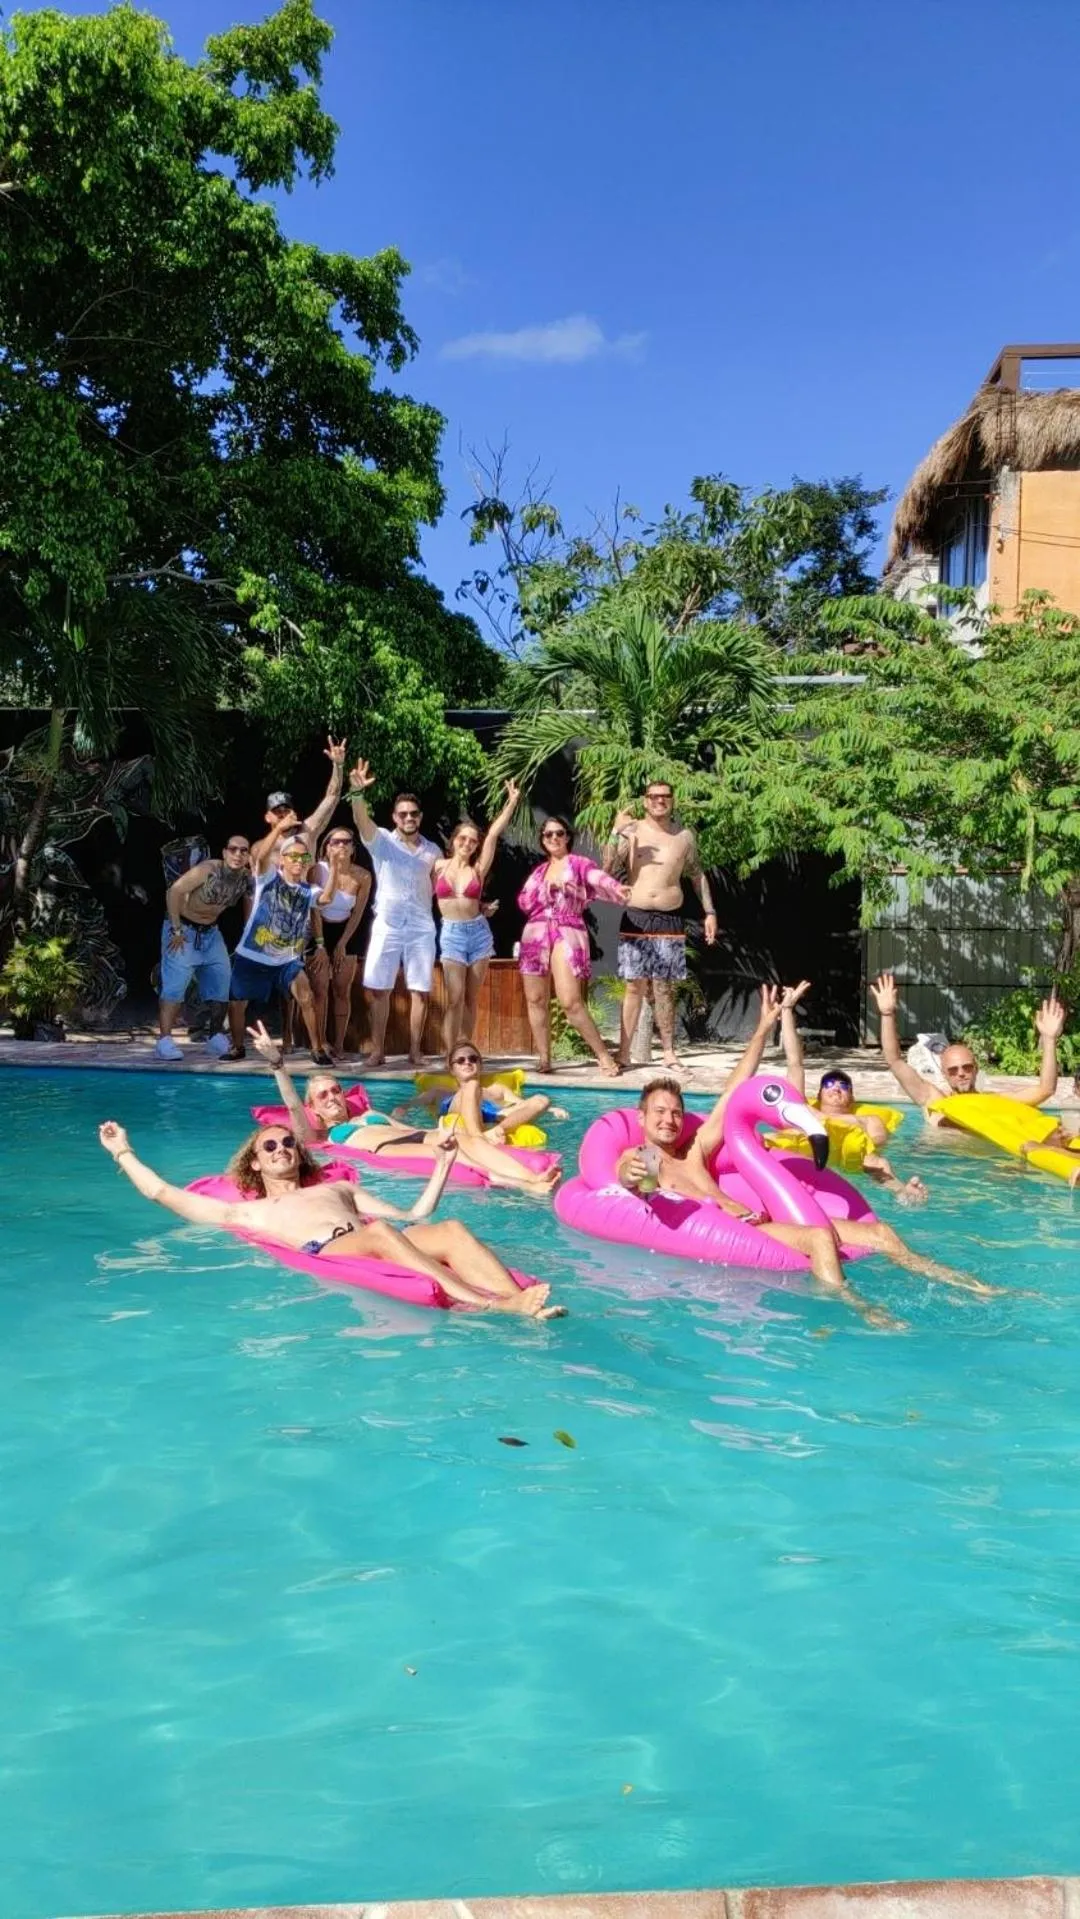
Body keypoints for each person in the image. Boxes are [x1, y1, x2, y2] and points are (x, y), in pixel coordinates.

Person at [616, 984, 996, 1325]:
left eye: (676, 1112)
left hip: (760, 1217)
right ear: (642, 1117)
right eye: (660, 1113)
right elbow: (630, 1179)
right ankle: (857, 1308)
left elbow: (733, 1093)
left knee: (880, 1231)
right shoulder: (646, 1156)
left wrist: (764, 1027)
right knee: (818, 1238)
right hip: (739, 1231)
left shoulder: (694, 1150)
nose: (669, 1120)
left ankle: (958, 1281)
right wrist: (630, 1174)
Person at [98, 1117, 563, 1318]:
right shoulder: (246, 1210)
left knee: (451, 1230)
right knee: (381, 1233)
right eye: (270, 1146)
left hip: (376, 1236)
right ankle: (491, 1305)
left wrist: (442, 1163)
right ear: (255, 1162)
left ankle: (521, 1304)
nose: (282, 1149)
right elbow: (160, 1192)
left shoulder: (336, 1187)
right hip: (335, 1250)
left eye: (288, 1143)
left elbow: (415, 1213)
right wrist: (123, 1152)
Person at [250, 1023, 561, 1198]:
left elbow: (401, 1128)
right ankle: (524, 1186)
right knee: (457, 1157)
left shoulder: (366, 1115)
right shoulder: (323, 1133)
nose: (332, 1097)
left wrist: (437, 1134)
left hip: (414, 1136)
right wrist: (278, 1065)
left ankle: (532, 1178)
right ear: (314, 1108)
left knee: (471, 1142)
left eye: (335, 1090)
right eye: (322, 1095)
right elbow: (293, 1106)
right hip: (385, 1149)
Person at [777, 979, 928, 1204]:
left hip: (851, 1156)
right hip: (807, 1152)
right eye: (828, 1084)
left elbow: (877, 1141)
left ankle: (903, 1192)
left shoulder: (867, 1119)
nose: (836, 1087)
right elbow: (794, 1063)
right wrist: (787, 1010)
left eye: (843, 1085)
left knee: (875, 1160)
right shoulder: (804, 1109)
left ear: (852, 1097)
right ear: (818, 1095)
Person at [870, 972, 1070, 1142]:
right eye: (953, 1070)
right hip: (940, 1166)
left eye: (967, 1067)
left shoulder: (995, 1102)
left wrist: (1049, 1038)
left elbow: (1046, 1089)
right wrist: (887, 1014)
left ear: (976, 1069)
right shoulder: (932, 1099)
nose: (961, 1074)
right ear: (944, 1074)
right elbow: (895, 1062)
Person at [603, 780, 718, 1071]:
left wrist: (710, 912)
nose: (660, 802)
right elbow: (606, 868)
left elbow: (696, 875)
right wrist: (616, 831)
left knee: (664, 987)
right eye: (654, 797)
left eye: (665, 797)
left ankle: (668, 1052)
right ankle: (625, 1053)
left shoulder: (684, 837)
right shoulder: (633, 831)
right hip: (636, 917)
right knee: (633, 987)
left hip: (668, 918)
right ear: (645, 801)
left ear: (672, 800)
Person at [517, 816, 631, 1076]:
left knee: (570, 1001)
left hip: (567, 930)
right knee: (535, 999)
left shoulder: (578, 864)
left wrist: (616, 887)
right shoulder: (538, 872)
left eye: (559, 833)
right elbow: (523, 902)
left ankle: (602, 1055)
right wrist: (546, 889)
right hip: (535, 933)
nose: (554, 838)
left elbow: (598, 878)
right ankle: (544, 1058)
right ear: (543, 840)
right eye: (548, 835)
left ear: (567, 836)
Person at [348, 759, 441, 1068]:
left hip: (421, 927)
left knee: (420, 991)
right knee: (378, 990)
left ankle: (415, 1050)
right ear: (394, 817)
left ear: (420, 817)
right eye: (403, 814)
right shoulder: (382, 843)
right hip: (387, 924)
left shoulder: (433, 851)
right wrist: (357, 793)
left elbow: (444, 886)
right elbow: (362, 822)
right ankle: (377, 1051)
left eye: (413, 813)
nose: (408, 818)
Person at [223, 819, 334, 1063]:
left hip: (286, 959)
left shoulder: (309, 890)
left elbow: (325, 899)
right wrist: (278, 829)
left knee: (305, 994)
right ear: (282, 860)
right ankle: (237, 1047)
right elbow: (261, 857)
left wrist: (334, 867)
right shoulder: (269, 878)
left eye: (303, 858)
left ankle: (317, 1050)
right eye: (292, 856)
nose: (298, 861)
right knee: (237, 1002)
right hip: (253, 954)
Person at [433, 780, 520, 1055]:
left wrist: (512, 802)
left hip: (479, 933)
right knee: (454, 998)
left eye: (472, 841)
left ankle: (465, 1051)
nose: (468, 844)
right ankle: (451, 1054)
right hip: (452, 933)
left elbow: (493, 834)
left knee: (471, 998)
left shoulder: (478, 870)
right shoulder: (436, 866)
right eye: (463, 838)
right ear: (453, 840)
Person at [154, 833, 252, 1060]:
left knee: (222, 982)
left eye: (244, 850)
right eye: (233, 849)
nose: (238, 854)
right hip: (183, 930)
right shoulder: (209, 869)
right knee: (175, 987)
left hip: (211, 933)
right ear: (225, 853)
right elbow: (174, 891)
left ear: (248, 856)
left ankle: (215, 1035)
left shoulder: (246, 878)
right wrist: (177, 929)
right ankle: (165, 1040)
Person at [405, 1041, 567, 1141]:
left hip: (494, 1115)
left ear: (480, 1065)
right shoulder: (441, 1092)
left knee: (542, 1099)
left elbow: (523, 1104)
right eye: (461, 1060)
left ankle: (498, 1131)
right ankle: (479, 1138)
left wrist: (550, 1109)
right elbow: (411, 1104)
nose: (467, 1063)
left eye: (473, 1059)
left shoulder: (497, 1090)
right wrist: (400, 1110)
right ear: (452, 1069)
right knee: (472, 1086)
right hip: (458, 1109)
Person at [306, 826, 372, 1059]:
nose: (341, 846)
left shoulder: (362, 876)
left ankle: (340, 1044)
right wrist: (321, 944)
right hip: (320, 929)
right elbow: (315, 909)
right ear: (327, 847)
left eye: (346, 842)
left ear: (353, 847)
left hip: (347, 929)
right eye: (335, 842)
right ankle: (321, 1042)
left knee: (341, 990)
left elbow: (357, 914)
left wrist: (343, 943)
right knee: (320, 989)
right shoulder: (317, 870)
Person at [248, 736, 348, 871]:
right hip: (276, 891)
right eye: (277, 812)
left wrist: (338, 765)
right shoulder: (259, 847)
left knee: (320, 870)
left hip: (307, 889)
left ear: (293, 813)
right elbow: (259, 874)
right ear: (267, 817)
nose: (283, 814)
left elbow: (332, 797)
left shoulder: (307, 831)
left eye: (286, 810)